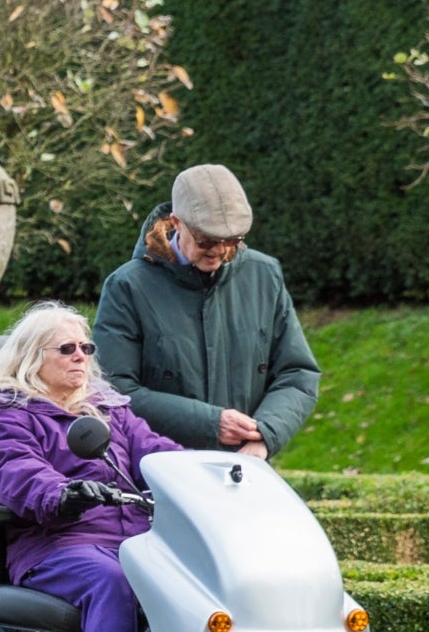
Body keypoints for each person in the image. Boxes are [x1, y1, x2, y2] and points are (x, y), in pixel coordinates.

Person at [0, 303, 182, 632]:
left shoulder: (112, 412)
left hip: (132, 541)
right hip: (55, 545)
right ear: (32, 358)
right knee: (110, 579)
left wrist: (208, 476)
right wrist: (64, 493)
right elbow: (15, 470)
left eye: (86, 347)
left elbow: (158, 455)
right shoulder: (11, 416)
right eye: (66, 348)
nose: (81, 355)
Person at [93, 164, 320, 460]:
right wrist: (210, 423)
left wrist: (265, 436)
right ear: (176, 222)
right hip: (159, 470)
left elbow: (297, 373)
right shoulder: (128, 286)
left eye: (232, 241)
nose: (220, 252)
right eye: (207, 242)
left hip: (246, 471)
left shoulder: (264, 275)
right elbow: (114, 391)